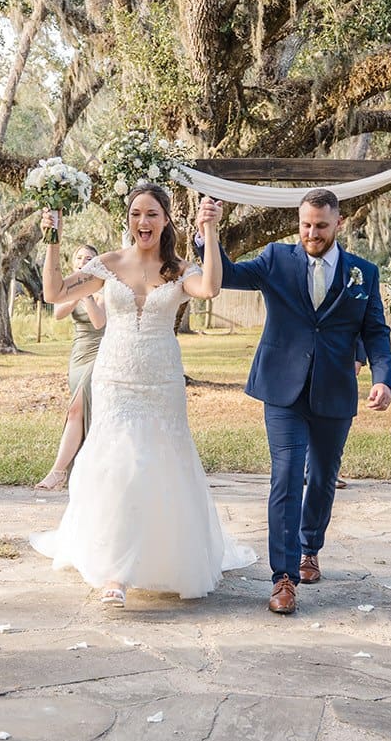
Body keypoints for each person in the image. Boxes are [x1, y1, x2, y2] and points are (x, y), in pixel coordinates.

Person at [31, 184, 254, 606]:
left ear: (166, 219)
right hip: (114, 378)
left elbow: (210, 288)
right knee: (117, 465)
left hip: (161, 380)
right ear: (128, 219)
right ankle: (115, 571)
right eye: (136, 213)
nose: (143, 222)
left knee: (159, 463)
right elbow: (55, 294)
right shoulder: (107, 265)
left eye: (152, 214)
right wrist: (53, 241)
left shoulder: (179, 269)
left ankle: (160, 556)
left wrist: (211, 229)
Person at [213, 189, 391, 615]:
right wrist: (208, 237)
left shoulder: (363, 274)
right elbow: (228, 276)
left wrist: (383, 379)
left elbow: (376, 332)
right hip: (282, 389)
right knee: (288, 474)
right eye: (305, 225)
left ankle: (310, 547)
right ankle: (284, 576)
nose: (311, 233)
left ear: (339, 224)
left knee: (324, 476)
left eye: (321, 226)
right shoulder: (276, 258)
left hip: (335, 390)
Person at [36, 243, 106, 491]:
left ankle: (58, 472)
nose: (83, 260)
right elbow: (58, 313)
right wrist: (78, 289)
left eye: (88, 257)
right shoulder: (68, 286)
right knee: (85, 411)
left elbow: (99, 323)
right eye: (79, 257)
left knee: (76, 410)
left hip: (101, 353)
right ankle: (89, 469)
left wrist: (87, 294)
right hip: (78, 355)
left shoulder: (103, 289)